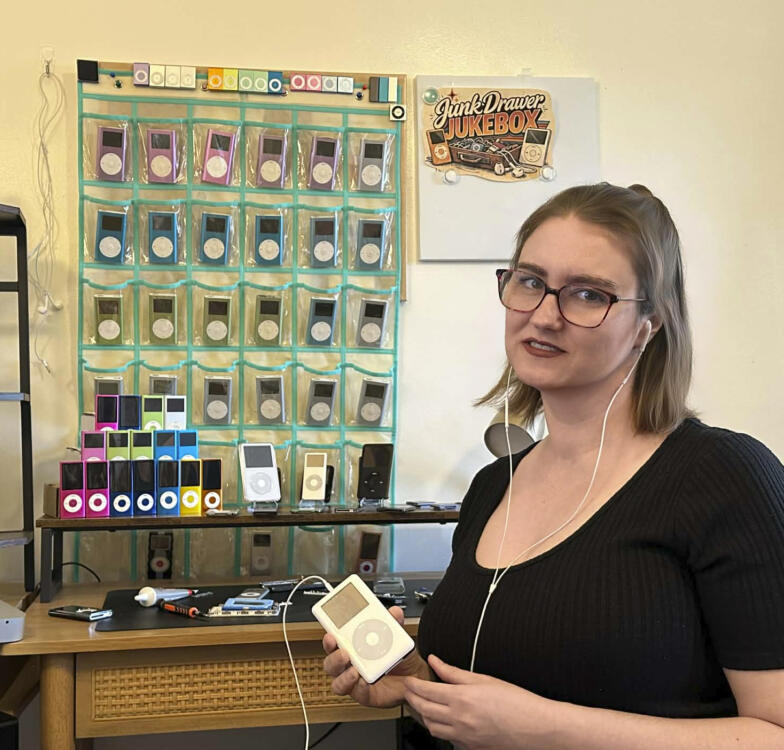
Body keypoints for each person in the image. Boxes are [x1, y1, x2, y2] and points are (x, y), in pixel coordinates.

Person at [323, 183, 784, 749]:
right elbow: (491, 706)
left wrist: (545, 729)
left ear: (651, 322)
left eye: (589, 295)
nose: (544, 316)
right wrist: (418, 684)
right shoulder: (494, 486)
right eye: (531, 281)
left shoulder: (726, 477)